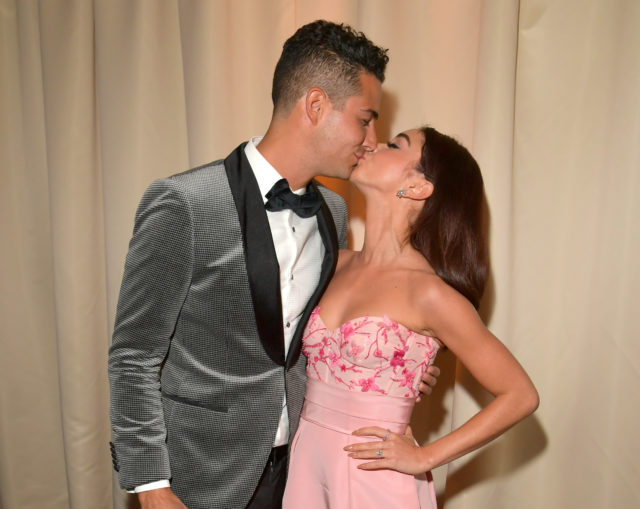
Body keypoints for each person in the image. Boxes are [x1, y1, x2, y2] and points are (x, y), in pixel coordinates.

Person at [108, 21, 440, 509]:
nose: (372, 140)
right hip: (195, 475)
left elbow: (316, 331)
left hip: (299, 472)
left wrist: (391, 366)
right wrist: (151, 485)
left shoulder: (334, 212)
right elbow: (134, 355)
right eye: (365, 120)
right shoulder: (185, 203)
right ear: (315, 106)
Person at [282, 126, 540, 508]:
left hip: (375, 478)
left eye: (394, 145)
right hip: (306, 463)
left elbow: (520, 395)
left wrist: (425, 457)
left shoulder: (429, 293)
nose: (372, 144)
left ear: (418, 187)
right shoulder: (332, 262)